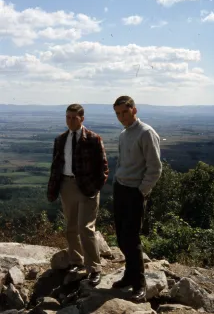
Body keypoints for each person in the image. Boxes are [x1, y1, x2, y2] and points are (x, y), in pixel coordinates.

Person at [47, 103, 109, 286]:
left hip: (87, 187)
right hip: (67, 185)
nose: (70, 121)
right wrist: (53, 188)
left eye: (74, 117)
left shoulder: (93, 139)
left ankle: (94, 268)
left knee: (85, 228)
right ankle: (76, 261)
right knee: (71, 227)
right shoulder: (60, 139)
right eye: (68, 117)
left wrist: (95, 187)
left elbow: (104, 167)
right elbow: (55, 166)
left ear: (82, 118)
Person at [112, 96, 162, 302]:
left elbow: (155, 167)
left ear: (134, 110)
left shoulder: (146, 133)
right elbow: (123, 162)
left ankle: (140, 284)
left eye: (124, 112)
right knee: (121, 237)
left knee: (132, 239)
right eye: (117, 114)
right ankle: (129, 275)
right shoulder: (124, 134)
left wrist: (142, 191)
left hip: (134, 192)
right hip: (120, 188)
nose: (121, 117)